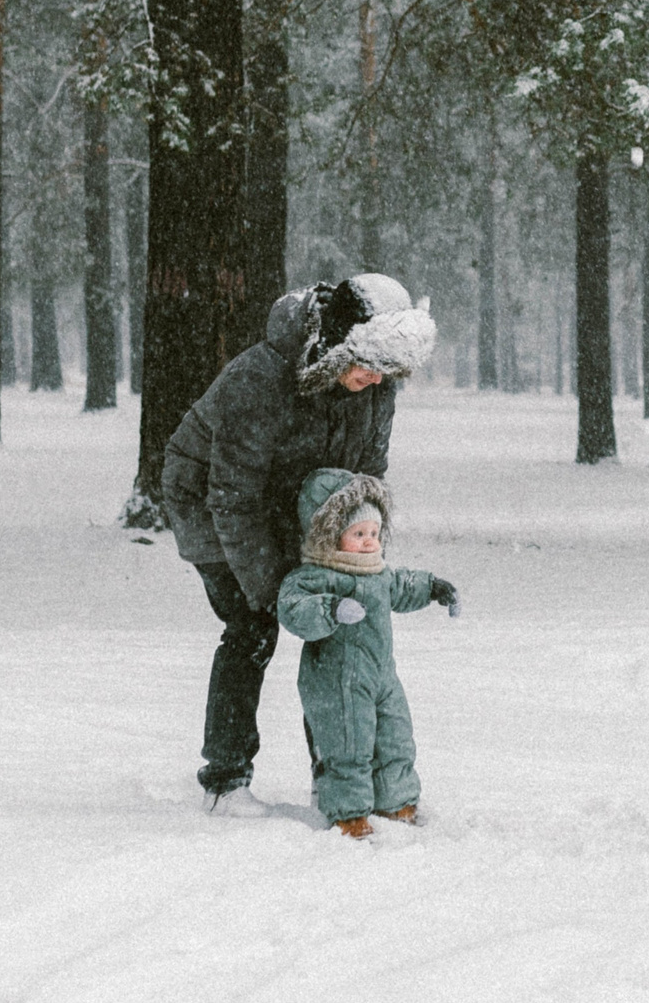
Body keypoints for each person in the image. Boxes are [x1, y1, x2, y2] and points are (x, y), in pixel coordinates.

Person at [159, 274, 436, 813]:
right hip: (211, 500)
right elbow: (232, 493)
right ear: (337, 344)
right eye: (368, 365)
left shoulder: (375, 386)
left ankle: (335, 778)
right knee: (253, 626)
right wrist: (272, 589)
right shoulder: (260, 378)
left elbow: (364, 479)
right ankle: (226, 779)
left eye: (387, 369)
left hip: (293, 497)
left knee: (337, 625)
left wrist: (356, 557)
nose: (376, 379)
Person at [276, 468, 457, 837]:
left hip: (381, 676)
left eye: (374, 533)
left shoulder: (378, 575)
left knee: (396, 738)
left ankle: (397, 802)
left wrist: (434, 588)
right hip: (337, 680)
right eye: (358, 534)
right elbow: (293, 608)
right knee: (349, 745)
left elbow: (404, 586)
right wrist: (330, 609)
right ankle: (349, 813)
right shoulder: (317, 575)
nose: (369, 542)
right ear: (331, 536)